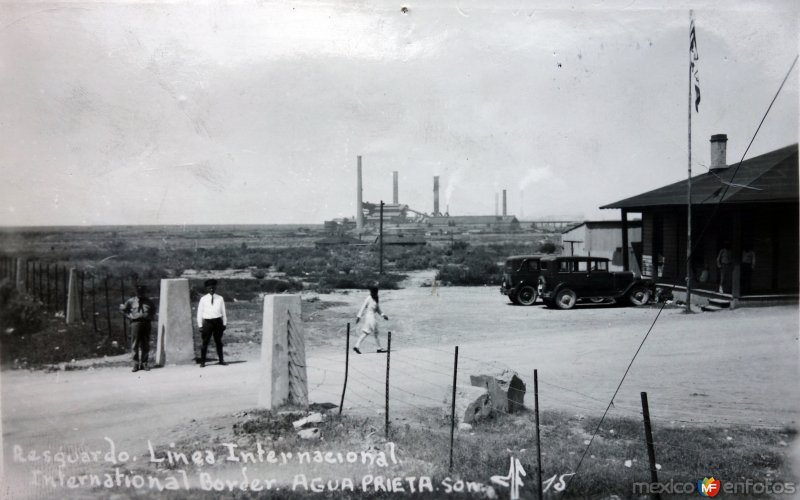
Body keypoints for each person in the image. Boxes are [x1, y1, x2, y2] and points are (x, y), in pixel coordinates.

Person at [121, 285, 156, 372]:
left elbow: (153, 310)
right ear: (136, 292)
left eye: (142, 292)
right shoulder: (131, 301)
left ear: (144, 292)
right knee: (135, 344)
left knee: (145, 344)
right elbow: (123, 309)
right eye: (138, 292)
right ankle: (135, 364)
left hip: (146, 323)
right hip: (135, 323)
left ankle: (144, 363)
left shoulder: (149, 301)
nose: (140, 293)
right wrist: (129, 316)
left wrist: (149, 317)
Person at [197, 279, 227, 367]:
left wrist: (224, 323)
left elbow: (223, 311)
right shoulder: (203, 299)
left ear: (215, 287)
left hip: (218, 322)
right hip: (207, 322)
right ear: (207, 288)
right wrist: (200, 325)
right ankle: (203, 362)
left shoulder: (220, 298)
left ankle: (221, 360)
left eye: (213, 288)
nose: (212, 289)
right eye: (209, 288)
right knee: (205, 342)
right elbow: (199, 312)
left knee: (218, 341)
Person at [354, 285, 389, 354]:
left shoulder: (376, 298)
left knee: (366, 332)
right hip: (370, 317)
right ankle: (379, 348)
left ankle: (356, 346)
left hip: (370, 318)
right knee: (375, 332)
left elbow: (378, 309)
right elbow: (362, 307)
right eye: (373, 292)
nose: (374, 293)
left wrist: (383, 315)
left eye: (375, 292)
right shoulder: (368, 298)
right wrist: (358, 316)